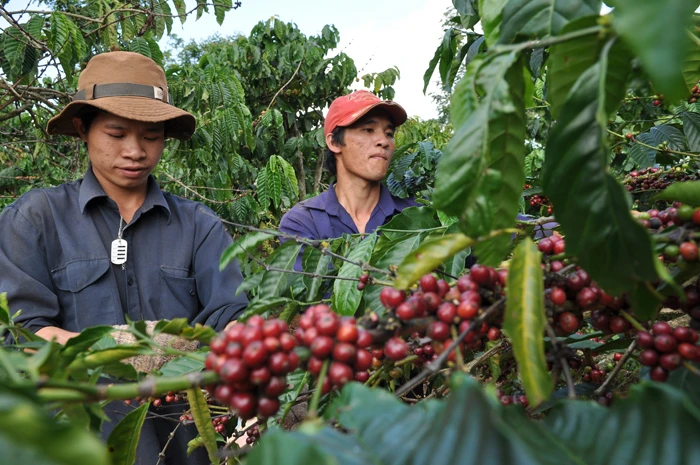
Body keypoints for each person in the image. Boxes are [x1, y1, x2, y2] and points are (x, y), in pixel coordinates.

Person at [0, 51, 248, 465]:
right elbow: (20, 336)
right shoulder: (35, 219)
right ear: (83, 128)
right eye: (116, 134)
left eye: (151, 136)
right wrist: (123, 350)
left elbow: (231, 316)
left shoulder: (199, 225)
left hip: (184, 446)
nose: (134, 151)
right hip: (76, 445)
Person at [279, 90, 418, 249]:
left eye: (389, 133)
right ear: (334, 143)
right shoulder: (303, 221)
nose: (383, 141)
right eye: (368, 130)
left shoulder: (414, 216)